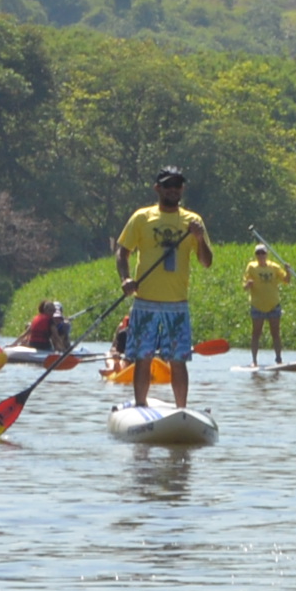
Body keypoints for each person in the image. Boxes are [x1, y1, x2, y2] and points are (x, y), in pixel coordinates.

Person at [115, 165, 212, 411]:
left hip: (177, 304)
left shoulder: (193, 221)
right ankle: (140, 406)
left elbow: (206, 261)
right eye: (168, 185)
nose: (173, 189)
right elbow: (122, 253)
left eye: (177, 185)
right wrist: (126, 279)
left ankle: (181, 411)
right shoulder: (142, 217)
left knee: (178, 360)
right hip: (145, 301)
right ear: (158, 188)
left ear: (182, 189)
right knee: (143, 357)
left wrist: (199, 238)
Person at [241, 245, 293, 364]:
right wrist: (248, 285)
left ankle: (279, 359)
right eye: (258, 253)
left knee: (275, 333)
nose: (260, 256)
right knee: (256, 334)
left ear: (266, 254)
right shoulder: (251, 267)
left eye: (262, 253)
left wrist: (288, 271)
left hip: (273, 305)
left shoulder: (274, 267)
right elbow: (244, 286)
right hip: (258, 305)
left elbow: (286, 280)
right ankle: (254, 361)